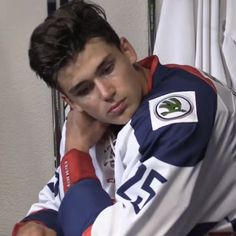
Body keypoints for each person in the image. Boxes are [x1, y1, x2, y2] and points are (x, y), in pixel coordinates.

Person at [13, 0, 236, 235]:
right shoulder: (86, 118)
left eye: (107, 68)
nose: (106, 92)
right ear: (70, 101)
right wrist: (36, 224)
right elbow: (59, 195)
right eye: (84, 89)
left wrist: (74, 154)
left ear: (127, 51)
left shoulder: (181, 114)